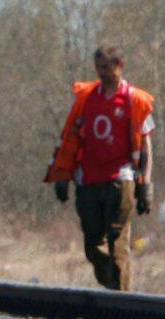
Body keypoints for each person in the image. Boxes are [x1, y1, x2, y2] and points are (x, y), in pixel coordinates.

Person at [45, 44, 155, 291]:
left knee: (118, 245)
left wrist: (146, 184)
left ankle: (121, 304)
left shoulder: (135, 99)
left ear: (119, 66)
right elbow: (71, 139)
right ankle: (111, 285)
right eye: (98, 68)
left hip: (121, 179)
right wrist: (63, 176)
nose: (101, 73)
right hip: (89, 181)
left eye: (106, 67)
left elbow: (146, 145)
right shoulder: (86, 98)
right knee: (93, 245)